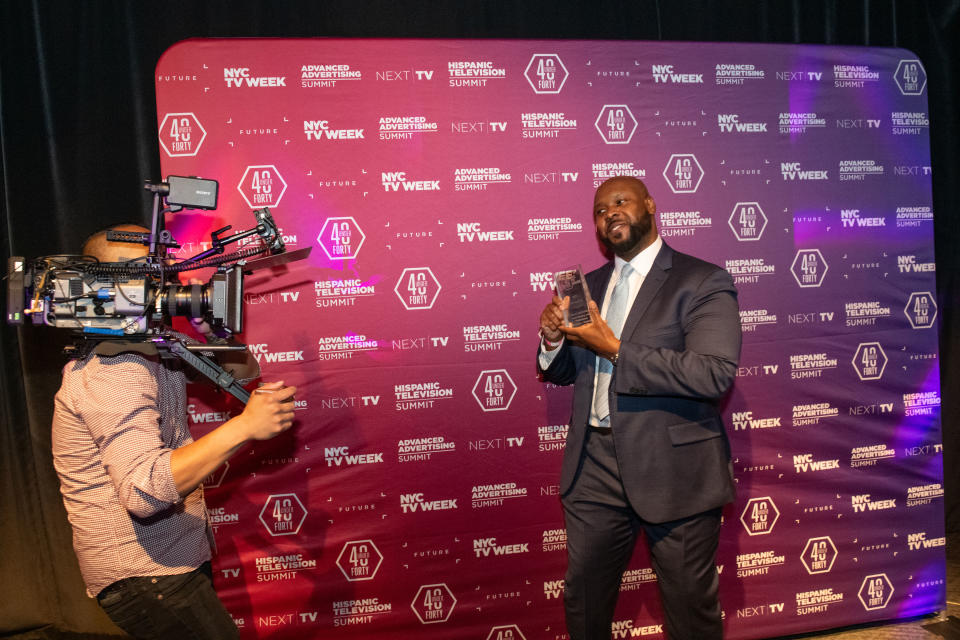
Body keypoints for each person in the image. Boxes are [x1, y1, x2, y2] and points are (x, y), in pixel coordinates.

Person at [51, 224, 297, 639]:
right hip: (147, 576)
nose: (163, 282)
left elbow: (243, 372)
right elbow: (145, 492)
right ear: (107, 287)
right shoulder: (115, 369)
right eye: (148, 275)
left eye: (164, 271)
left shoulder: (148, 349)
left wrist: (210, 329)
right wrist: (244, 427)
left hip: (169, 564)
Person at [537, 177, 741, 639]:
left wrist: (614, 347)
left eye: (621, 201)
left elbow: (713, 373)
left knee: (689, 611)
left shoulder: (702, 280)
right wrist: (552, 340)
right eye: (599, 210)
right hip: (593, 468)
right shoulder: (587, 287)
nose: (610, 213)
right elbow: (569, 371)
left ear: (650, 206)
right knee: (584, 604)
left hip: (675, 470)